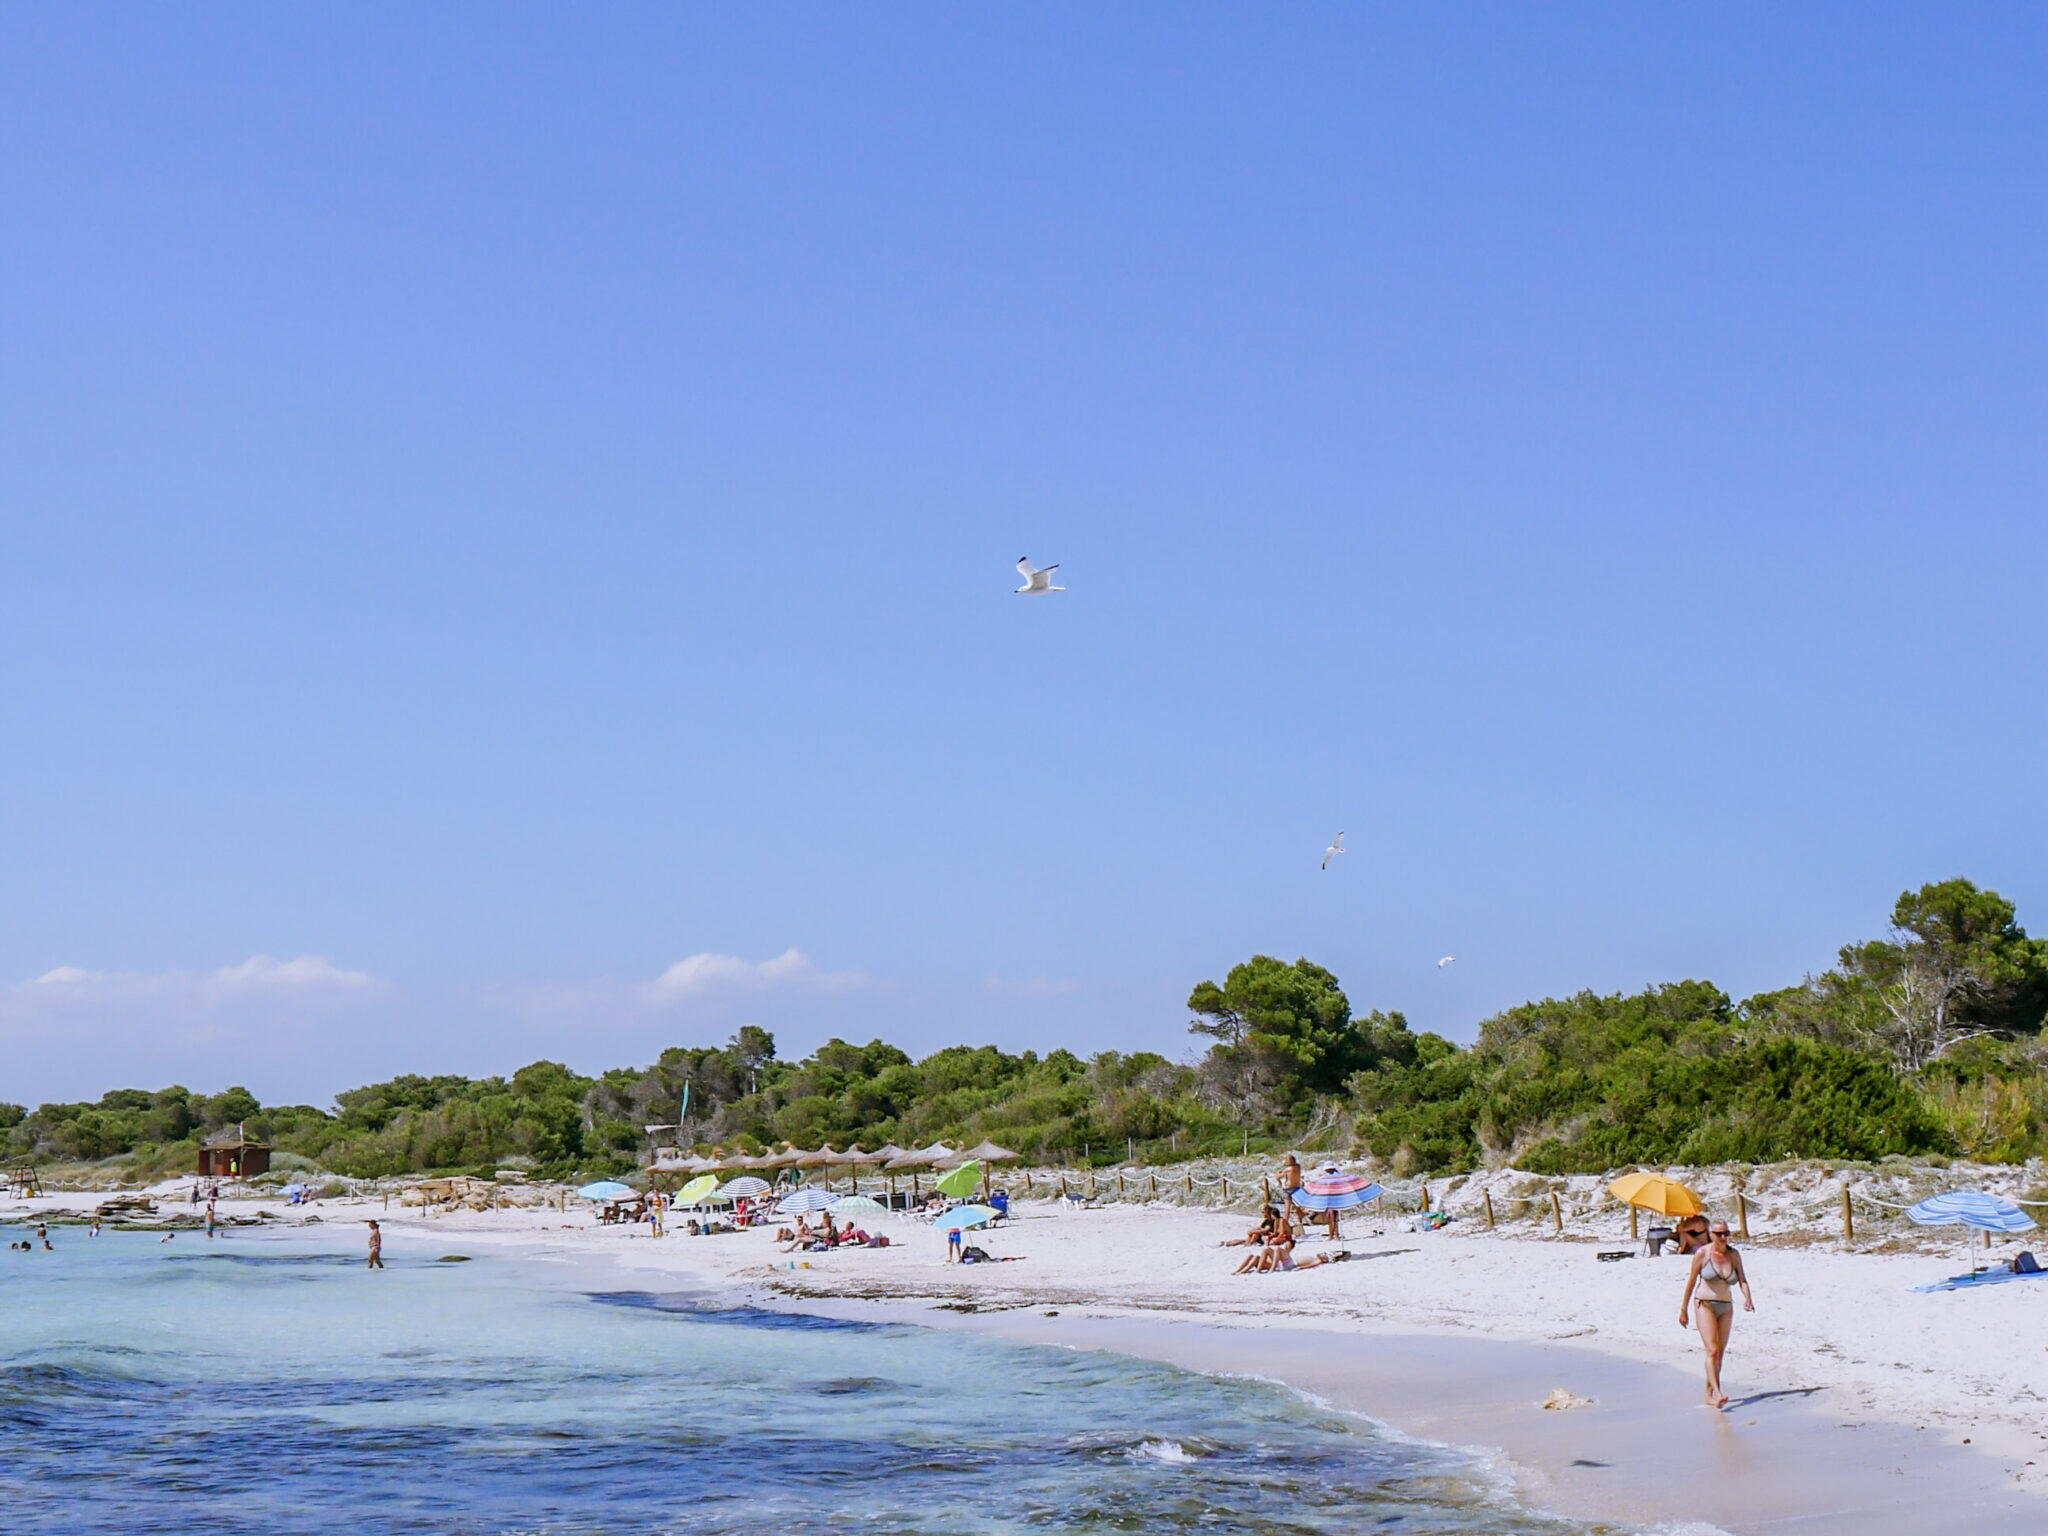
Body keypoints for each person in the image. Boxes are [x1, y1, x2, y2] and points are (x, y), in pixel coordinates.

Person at [1679, 1220, 1753, 1408]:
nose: (1723, 1237)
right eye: (1719, 1234)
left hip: (1726, 1306)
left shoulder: (1733, 1255)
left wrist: (1748, 1298)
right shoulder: (1702, 1254)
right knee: (1711, 1350)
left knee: (1719, 1353)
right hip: (1704, 1304)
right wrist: (1683, 1310)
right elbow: (1691, 1281)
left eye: (1726, 1233)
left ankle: (1709, 1394)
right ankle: (1718, 1392)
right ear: (1711, 1234)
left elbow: (1742, 1279)